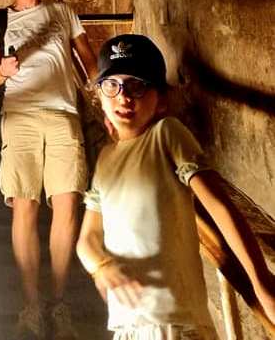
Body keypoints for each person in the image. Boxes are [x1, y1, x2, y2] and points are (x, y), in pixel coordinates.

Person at [77, 33, 275, 340]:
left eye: (137, 85)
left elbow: (219, 206)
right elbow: (86, 239)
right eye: (112, 85)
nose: (124, 97)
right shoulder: (105, 160)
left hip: (174, 324)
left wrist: (259, 279)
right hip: (126, 327)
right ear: (99, 97)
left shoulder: (167, 134)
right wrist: (101, 267)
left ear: (160, 100)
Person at [0, 0, 99, 340]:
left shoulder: (62, 12)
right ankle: (32, 304)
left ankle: (59, 300)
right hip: (20, 118)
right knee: (24, 205)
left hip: (63, 113)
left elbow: (89, 61)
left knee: (67, 202)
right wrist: (3, 69)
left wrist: (104, 99)